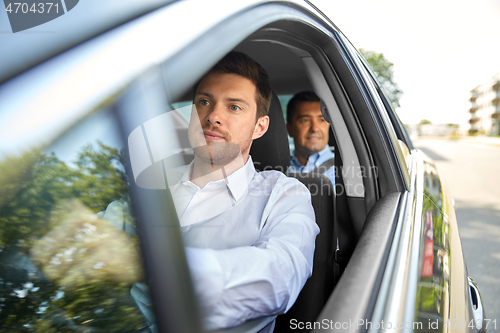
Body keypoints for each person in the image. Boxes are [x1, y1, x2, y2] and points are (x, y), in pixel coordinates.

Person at [100, 52, 319, 331]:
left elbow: (279, 277)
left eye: (234, 107)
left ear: (259, 127)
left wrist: (151, 264)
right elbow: (89, 239)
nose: (213, 116)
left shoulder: (284, 194)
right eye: (204, 102)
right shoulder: (152, 187)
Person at [286, 91, 335, 185]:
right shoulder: (276, 171)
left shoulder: (345, 169)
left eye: (321, 120)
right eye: (305, 120)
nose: (314, 129)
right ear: (289, 129)